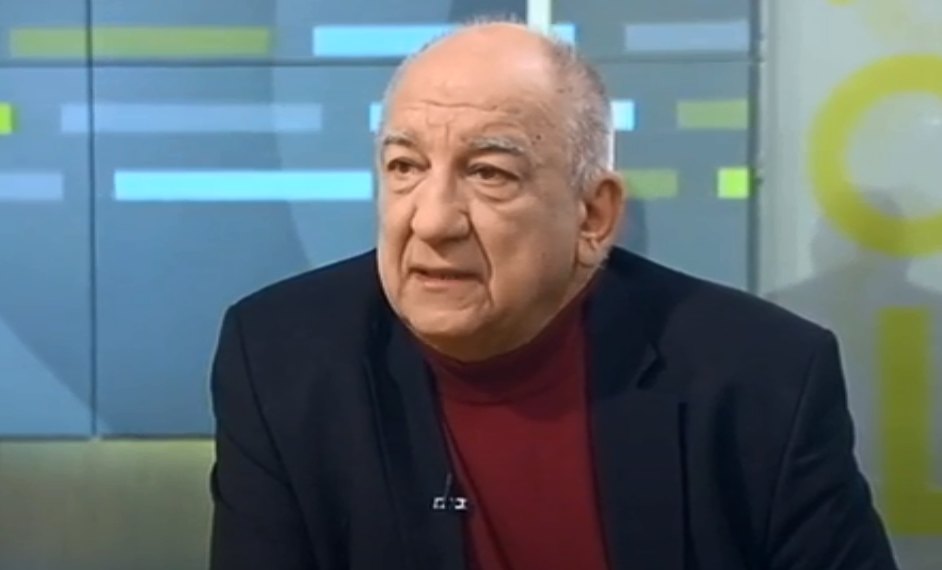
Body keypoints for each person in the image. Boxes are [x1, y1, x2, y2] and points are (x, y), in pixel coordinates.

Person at [208, 20, 898, 570]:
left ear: (593, 216)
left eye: (489, 173)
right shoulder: (280, 359)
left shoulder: (761, 378)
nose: (433, 220)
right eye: (405, 166)